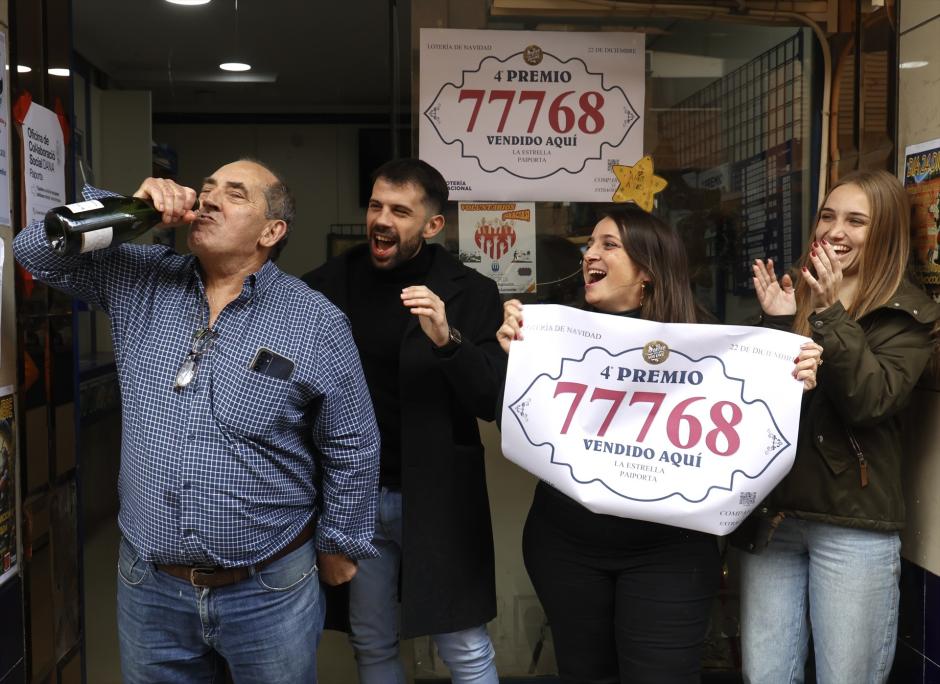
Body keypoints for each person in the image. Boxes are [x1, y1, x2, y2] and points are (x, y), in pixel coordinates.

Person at [14, 159, 380, 683]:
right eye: (206, 189)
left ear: (272, 231)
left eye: (234, 195)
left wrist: (341, 541)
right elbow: (34, 251)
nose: (208, 199)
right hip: (150, 586)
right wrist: (126, 212)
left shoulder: (315, 321)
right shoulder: (140, 278)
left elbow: (351, 441)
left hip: (268, 586)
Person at [497, 204, 819, 684]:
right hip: (565, 547)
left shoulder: (707, 340)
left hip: (671, 555)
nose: (590, 254)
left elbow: (764, 427)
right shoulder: (554, 332)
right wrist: (511, 353)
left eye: (609, 245)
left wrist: (788, 354)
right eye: (590, 244)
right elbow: (498, 407)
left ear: (647, 270)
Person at [303, 158, 504, 683]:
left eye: (399, 210)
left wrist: (447, 338)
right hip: (354, 497)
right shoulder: (325, 286)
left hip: (437, 496)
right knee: (371, 642)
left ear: (432, 225)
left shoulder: (472, 293)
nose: (382, 219)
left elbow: (492, 397)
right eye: (375, 206)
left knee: (463, 644)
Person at [740, 169, 940, 684]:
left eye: (856, 220)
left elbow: (872, 400)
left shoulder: (908, 313)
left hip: (853, 527)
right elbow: (755, 407)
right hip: (777, 520)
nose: (835, 231)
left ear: (886, 232)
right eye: (828, 216)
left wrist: (829, 314)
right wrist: (780, 325)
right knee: (764, 675)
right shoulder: (798, 295)